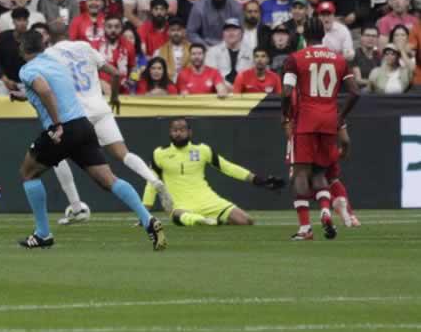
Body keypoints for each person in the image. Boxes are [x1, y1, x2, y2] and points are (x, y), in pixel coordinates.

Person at [14, 30, 166, 250]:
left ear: (23, 48)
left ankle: (43, 234)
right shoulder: (56, 63)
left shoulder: (27, 69)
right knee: (109, 179)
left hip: (62, 130)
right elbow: (51, 88)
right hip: (83, 126)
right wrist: (24, 95)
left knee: (28, 173)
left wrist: (56, 124)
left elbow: (45, 90)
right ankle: (148, 219)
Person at [43, 27, 173, 226]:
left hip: (77, 114)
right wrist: (114, 97)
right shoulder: (84, 46)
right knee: (123, 153)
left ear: (50, 38)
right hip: (100, 107)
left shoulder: (49, 54)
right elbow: (116, 73)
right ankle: (154, 180)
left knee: (56, 157)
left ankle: (76, 207)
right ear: (69, 34)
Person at [144, 117, 285, 226]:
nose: (178, 133)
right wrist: (145, 213)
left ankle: (211, 221)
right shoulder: (159, 154)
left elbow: (228, 168)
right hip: (180, 205)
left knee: (246, 221)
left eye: (182, 130)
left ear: (190, 132)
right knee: (180, 215)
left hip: (208, 201)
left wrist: (258, 180)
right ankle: (202, 220)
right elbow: (152, 183)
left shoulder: (202, 150)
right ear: (170, 132)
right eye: (175, 130)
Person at [282, 42, 358, 240]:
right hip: (329, 121)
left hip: (305, 123)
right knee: (320, 173)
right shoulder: (339, 60)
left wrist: (286, 117)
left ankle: (305, 228)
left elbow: (287, 93)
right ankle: (326, 210)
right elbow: (355, 92)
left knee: (299, 175)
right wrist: (340, 118)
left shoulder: (296, 60)